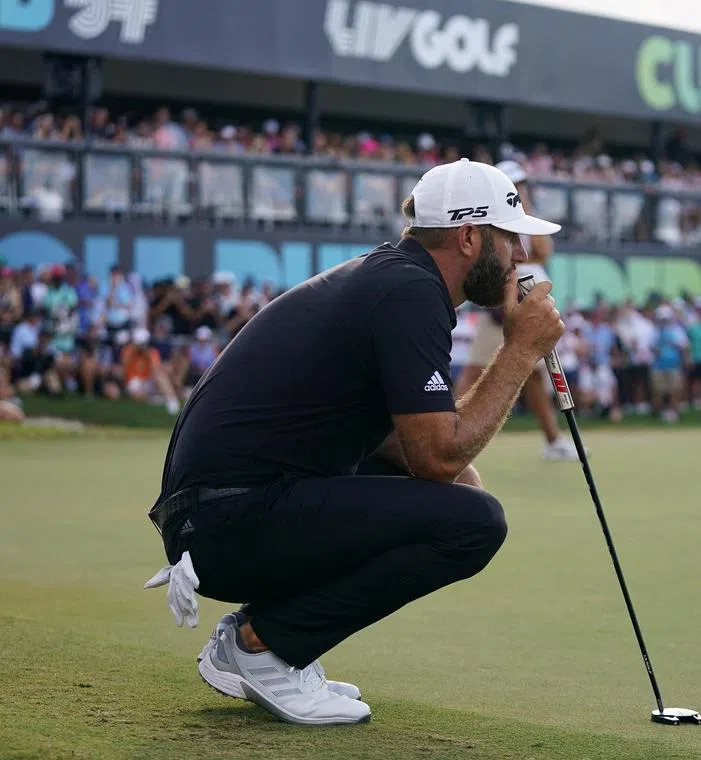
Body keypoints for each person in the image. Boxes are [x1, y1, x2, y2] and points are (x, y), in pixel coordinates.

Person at [143, 158, 565, 726]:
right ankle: (262, 645)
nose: (521, 254)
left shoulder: (397, 278)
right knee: (474, 523)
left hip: (221, 514)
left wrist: (446, 468)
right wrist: (521, 350)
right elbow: (438, 456)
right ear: (469, 237)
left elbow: (413, 445)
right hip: (227, 521)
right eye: (510, 237)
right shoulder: (410, 292)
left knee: (458, 496)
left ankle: (261, 639)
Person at [455, 159, 580, 461]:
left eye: (520, 184)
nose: (518, 189)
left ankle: (553, 441)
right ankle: (449, 432)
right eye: (513, 184)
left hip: (521, 301)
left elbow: (542, 251)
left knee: (536, 377)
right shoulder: (488, 218)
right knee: (472, 373)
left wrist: (524, 210)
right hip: (496, 304)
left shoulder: (523, 216)